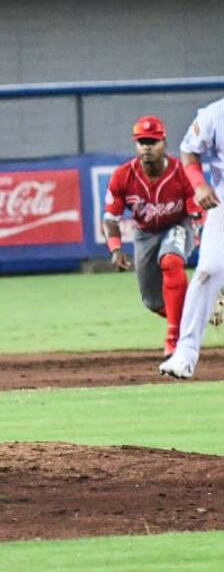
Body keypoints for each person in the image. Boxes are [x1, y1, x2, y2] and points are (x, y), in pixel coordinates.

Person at [102, 115, 200, 358]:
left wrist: (199, 236)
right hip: (145, 234)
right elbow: (110, 218)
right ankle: (200, 314)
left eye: (152, 141)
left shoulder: (180, 172)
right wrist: (115, 249)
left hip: (178, 225)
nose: (147, 147)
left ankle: (174, 339)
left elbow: (197, 211)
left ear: (164, 142)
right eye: (142, 141)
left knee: (171, 261)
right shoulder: (123, 175)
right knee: (153, 302)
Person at [160, 97, 224, 379]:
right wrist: (198, 185)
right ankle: (184, 354)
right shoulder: (215, 115)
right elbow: (189, 151)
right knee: (208, 270)